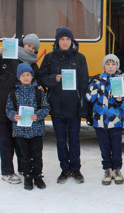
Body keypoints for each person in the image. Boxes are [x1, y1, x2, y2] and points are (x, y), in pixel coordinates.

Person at [0, 33, 40, 184]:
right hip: (3, 105)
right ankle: (7, 172)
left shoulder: (33, 65)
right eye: (28, 45)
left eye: (33, 48)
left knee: (20, 141)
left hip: (21, 109)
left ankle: (23, 168)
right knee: (5, 141)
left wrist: (40, 86)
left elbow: (36, 82)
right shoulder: (8, 56)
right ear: (23, 44)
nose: (30, 49)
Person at [39, 27, 89, 184]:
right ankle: (64, 169)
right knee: (60, 140)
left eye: (68, 39)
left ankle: (76, 168)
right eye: (62, 39)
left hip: (73, 107)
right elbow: (41, 79)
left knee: (74, 139)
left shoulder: (80, 58)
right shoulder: (49, 58)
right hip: (56, 107)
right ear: (57, 41)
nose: (65, 42)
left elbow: (84, 84)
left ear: (72, 41)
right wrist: (54, 79)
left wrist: (83, 106)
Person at [85, 54, 124, 185]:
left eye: (113, 64)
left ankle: (117, 169)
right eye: (108, 64)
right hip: (100, 121)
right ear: (104, 66)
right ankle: (107, 169)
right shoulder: (96, 81)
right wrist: (96, 87)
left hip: (116, 121)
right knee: (104, 147)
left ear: (117, 66)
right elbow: (89, 98)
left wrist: (120, 100)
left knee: (116, 147)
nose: (110, 67)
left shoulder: (121, 82)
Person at [5, 63, 50, 190]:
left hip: (36, 130)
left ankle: (37, 175)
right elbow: (8, 109)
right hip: (20, 131)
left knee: (37, 154)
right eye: (23, 75)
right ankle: (28, 176)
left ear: (32, 76)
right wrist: (14, 116)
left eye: (28, 75)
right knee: (24, 155)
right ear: (19, 77)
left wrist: (38, 115)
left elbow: (46, 108)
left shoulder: (38, 92)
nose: (26, 77)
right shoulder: (13, 93)